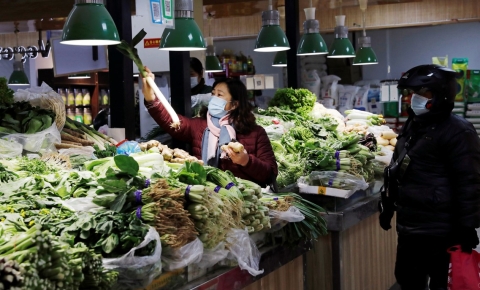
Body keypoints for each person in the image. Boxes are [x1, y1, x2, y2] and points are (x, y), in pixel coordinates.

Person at [378, 64, 480, 290]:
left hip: (441, 231)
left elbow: (469, 183)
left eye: (423, 93)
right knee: (407, 280)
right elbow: (399, 166)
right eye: (413, 93)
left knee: (440, 285)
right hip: (409, 228)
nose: (414, 99)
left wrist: (468, 227)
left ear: (442, 94)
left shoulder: (459, 131)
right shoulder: (413, 126)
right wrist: (388, 205)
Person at [142, 67, 278, 187]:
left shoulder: (255, 133)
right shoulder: (200, 125)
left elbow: (270, 173)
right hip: (207, 197)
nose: (214, 98)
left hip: (246, 199)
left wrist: (246, 161)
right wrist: (151, 97)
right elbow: (171, 121)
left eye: (220, 95)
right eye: (213, 94)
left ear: (234, 104)